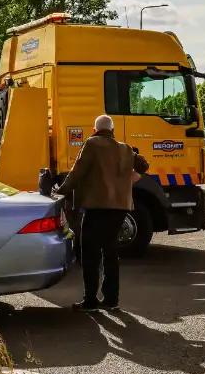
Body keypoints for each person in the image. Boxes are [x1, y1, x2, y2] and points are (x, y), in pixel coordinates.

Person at [56, 114, 149, 312]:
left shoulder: (93, 143)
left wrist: (61, 191)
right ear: (112, 130)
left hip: (97, 207)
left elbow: (77, 171)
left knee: (89, 253)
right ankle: (111, 299)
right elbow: (144, 165)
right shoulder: (125, 148)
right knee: (110, 253)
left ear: (94, 130)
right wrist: (132, 177)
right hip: (120, 209)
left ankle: (90, 300)